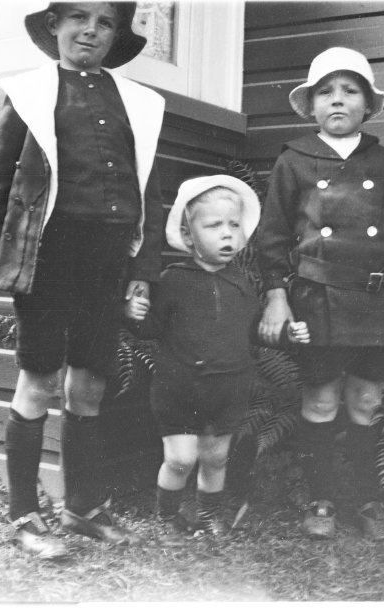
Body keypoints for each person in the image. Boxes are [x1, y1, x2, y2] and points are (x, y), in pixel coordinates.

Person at [0, 2, 165, 559]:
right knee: (39, 380)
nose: (90, 30)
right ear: (54, 26)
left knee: (89, 385)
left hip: (107, 261)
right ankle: (24, 514)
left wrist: (141, 273)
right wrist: (8, 265)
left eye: (105, 22)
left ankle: (81, 506)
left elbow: (148, 192)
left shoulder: (137, 103)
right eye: (78, 18)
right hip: (48, 258)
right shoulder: (29, 95)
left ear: (116, 34)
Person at [257, 47, 384, 540]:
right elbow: (272, 236)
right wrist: (277, 295)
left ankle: (367, 499)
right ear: (311, 105)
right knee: (320, 403)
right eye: (325, 92)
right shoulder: (294, 160)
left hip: (370, 299)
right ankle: (320, 500)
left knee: (365, 402)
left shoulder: (381, 160)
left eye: (349, 90)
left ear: (367, 105)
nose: (337, 100)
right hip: (315, 298)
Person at [125, 175, 309, 543]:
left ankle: (210, 517)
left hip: (229, 388)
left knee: (215, 458)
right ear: (188, 235)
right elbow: (150, 330)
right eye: (214, 226)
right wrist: (134, 314)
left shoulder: (241, 283)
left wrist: (286, 335)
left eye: (234, 225)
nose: (227, 234)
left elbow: (255, 331)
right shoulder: (173, 280)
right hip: (179, 389)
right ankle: (167, 516)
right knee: (180, 459)